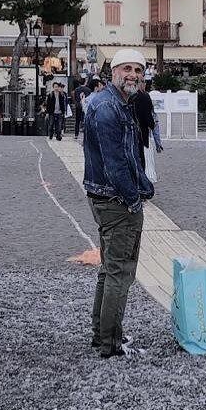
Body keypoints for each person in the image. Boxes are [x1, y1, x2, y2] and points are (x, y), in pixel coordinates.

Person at [83, 49, 154, 359]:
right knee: (120, 272)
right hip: (115, 200)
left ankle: (102, 333)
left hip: (103, 195)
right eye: (127, 68)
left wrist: (144, 185)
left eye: (138, 70)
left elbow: (128, 155)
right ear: (113, 72)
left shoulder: (113, 102)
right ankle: (111, 342)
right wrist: (134, 199)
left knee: (108, 270)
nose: (133, 75)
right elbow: (116, 164)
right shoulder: (111, 107)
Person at [131, 82, 156, 172]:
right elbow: (147, 114)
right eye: (143, 82)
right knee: (142, 154)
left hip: (133, 128)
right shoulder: (144, 96)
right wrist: (152, 125)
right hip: (142, 129)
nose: (145, 84)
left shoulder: (131, 96)